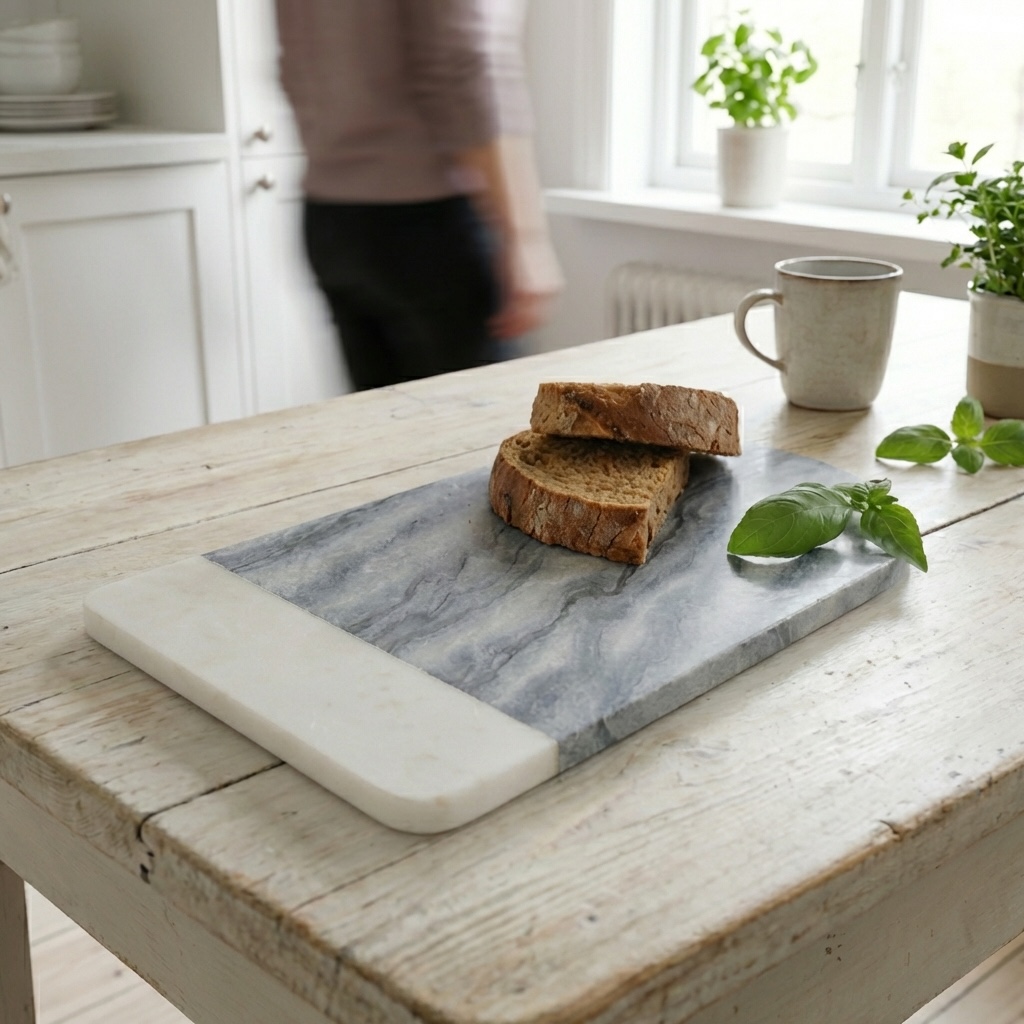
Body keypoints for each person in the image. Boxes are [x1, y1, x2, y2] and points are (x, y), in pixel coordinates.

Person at [273, 0, 563, 391]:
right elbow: (465, 64)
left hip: (329, 214)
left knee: (390, 431)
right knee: (481, 433)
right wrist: (525, 235)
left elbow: (296, 62)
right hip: (428, 222)